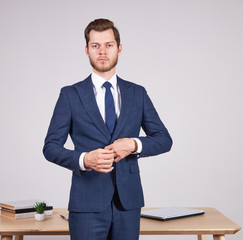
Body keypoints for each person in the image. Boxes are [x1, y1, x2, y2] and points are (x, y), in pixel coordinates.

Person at [43, 18, 172, 240]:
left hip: (128, 204)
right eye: (95, 46)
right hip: (86, 203)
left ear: (119, 48)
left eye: (109, 45)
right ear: (87, 50)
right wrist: (84, 159)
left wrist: (134, 144)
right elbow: (51, 147)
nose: (102, 51)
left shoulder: (137, 93)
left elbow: (164, 139)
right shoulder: (70, 95)